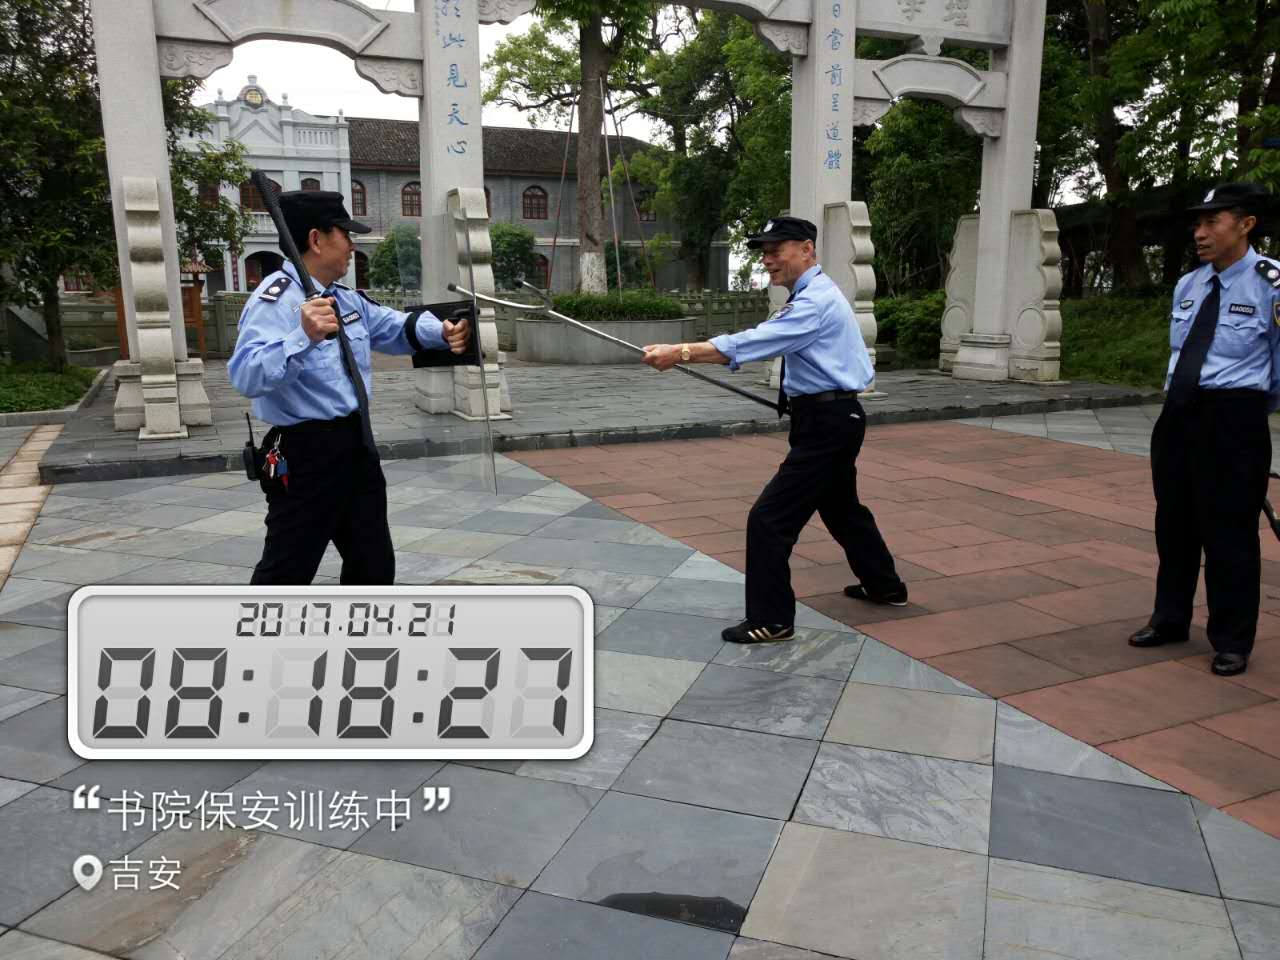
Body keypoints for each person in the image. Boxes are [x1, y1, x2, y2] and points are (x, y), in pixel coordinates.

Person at [641, 216, 906, 643]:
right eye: (764, 252)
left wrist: (682, 352)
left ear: (806, 249)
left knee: (769, 519)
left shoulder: (813, 302)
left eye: (775, 250)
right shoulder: (813, 295)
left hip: (828, 425)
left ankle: (772, 619)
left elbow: (756, 341)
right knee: (842, 510)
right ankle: (885, 585)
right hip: (829, 419)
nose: (767, 260)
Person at [229, 189, 470, 585]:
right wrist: (302, 337)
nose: (352, 244)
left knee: (373, 565)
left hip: (357, 445)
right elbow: (245, 376)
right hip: (305, 454)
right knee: (286, 573)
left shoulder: (343, 298)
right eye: (345, 234)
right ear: (316, 239)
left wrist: (441, 331)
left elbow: (392, 326)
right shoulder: (274, 302)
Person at [1128, 182, 1279, 677]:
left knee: (1230, 531)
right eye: (1198, 222)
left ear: (1246, 224)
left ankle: (1232, 639)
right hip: (1178, 415)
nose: (1200, 232)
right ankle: (1170, 618)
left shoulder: (1272, 285)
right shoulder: (1189, 284)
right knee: (1174, 523)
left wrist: (1246, 411)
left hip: (1234, 418)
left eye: (1213, 221)